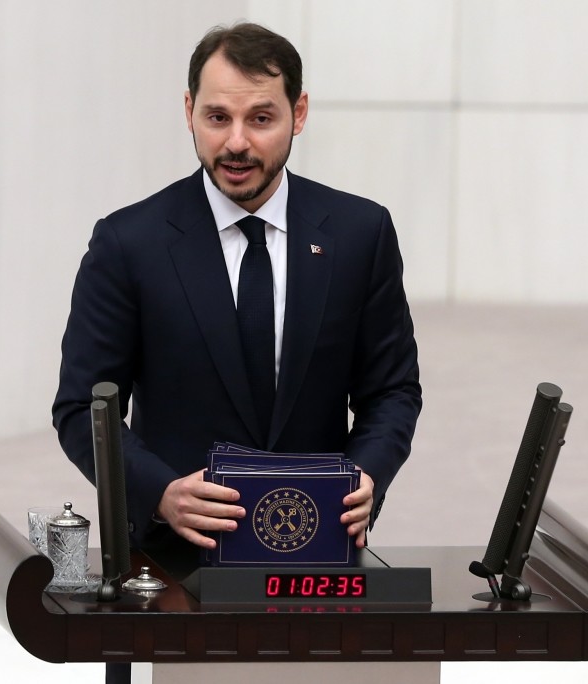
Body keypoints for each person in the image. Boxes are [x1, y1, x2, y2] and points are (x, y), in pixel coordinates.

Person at [53, 16, 420, 601]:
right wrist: (161, 492)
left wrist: (365, 475)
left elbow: (392, 391)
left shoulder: (361, 234)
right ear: (189, 110)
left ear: (298, 114)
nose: (237, 143)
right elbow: (80, 408)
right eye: (218, 117)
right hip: (172, 563)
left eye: (262, 119)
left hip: (319, 556)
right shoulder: (129, 244)